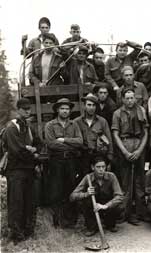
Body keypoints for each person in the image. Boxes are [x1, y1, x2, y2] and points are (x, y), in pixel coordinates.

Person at [2, 98, 40, 244]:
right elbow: (17, 150)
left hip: (29, 169)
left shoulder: (29, 126)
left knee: (29, 201)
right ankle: (16, 234)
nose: (27, 111)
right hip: (15, 170)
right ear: (18, 110)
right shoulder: (12, 127)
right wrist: (31, 153)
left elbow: (39, 142)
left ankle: (28, 231)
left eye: (29, 109)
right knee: (16, 202)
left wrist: (34, 149)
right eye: (24, 109)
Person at [112, 88, 148, 225]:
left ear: (135, 98)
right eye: (127, 98)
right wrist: (125, 152)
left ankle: (140, 212)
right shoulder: (117, 114)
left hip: (139, 144)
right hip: (125, 145)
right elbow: (115, 134)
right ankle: (124, 213)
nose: (129, 101)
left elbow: (146, 132)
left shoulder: (141, 111)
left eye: (132, 98)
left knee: (139, 180)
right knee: (126, 182)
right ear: (122, 99)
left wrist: (139, 151)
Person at [44, 98, 83, 228]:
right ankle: (57, 221)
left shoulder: (74, 125)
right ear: (57, 110)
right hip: (56, 161)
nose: (65, 111)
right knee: (56, 190)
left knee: (71, 188)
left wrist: (64, 139)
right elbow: (51, 144)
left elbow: (80, 142)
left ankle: (70, 221)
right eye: (62, 108)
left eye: (67, 109)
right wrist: (70, 146)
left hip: (71, 161)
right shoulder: (50, 125)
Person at [70, 156, 124, 235]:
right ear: (92, 167)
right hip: (93, 208)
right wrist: (86, 194)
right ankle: (92, 226)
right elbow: (72, 196)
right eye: (98, 167)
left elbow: (119, 196)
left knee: (120, 206)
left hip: (106, 207)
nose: (101, 169)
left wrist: (105, 206)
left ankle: (110, 224)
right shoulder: (87, 178)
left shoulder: (111, 176)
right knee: (84, 202)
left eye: (103, 167)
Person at [74, 93, 113, 179]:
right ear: (84, 106)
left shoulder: (102, 121)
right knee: (84, 180)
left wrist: (109, 158)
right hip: (83, 156)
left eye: (93, 105)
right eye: (89, 105)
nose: (91, 108)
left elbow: (109, 140)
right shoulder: (77, 122)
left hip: (98, 155)